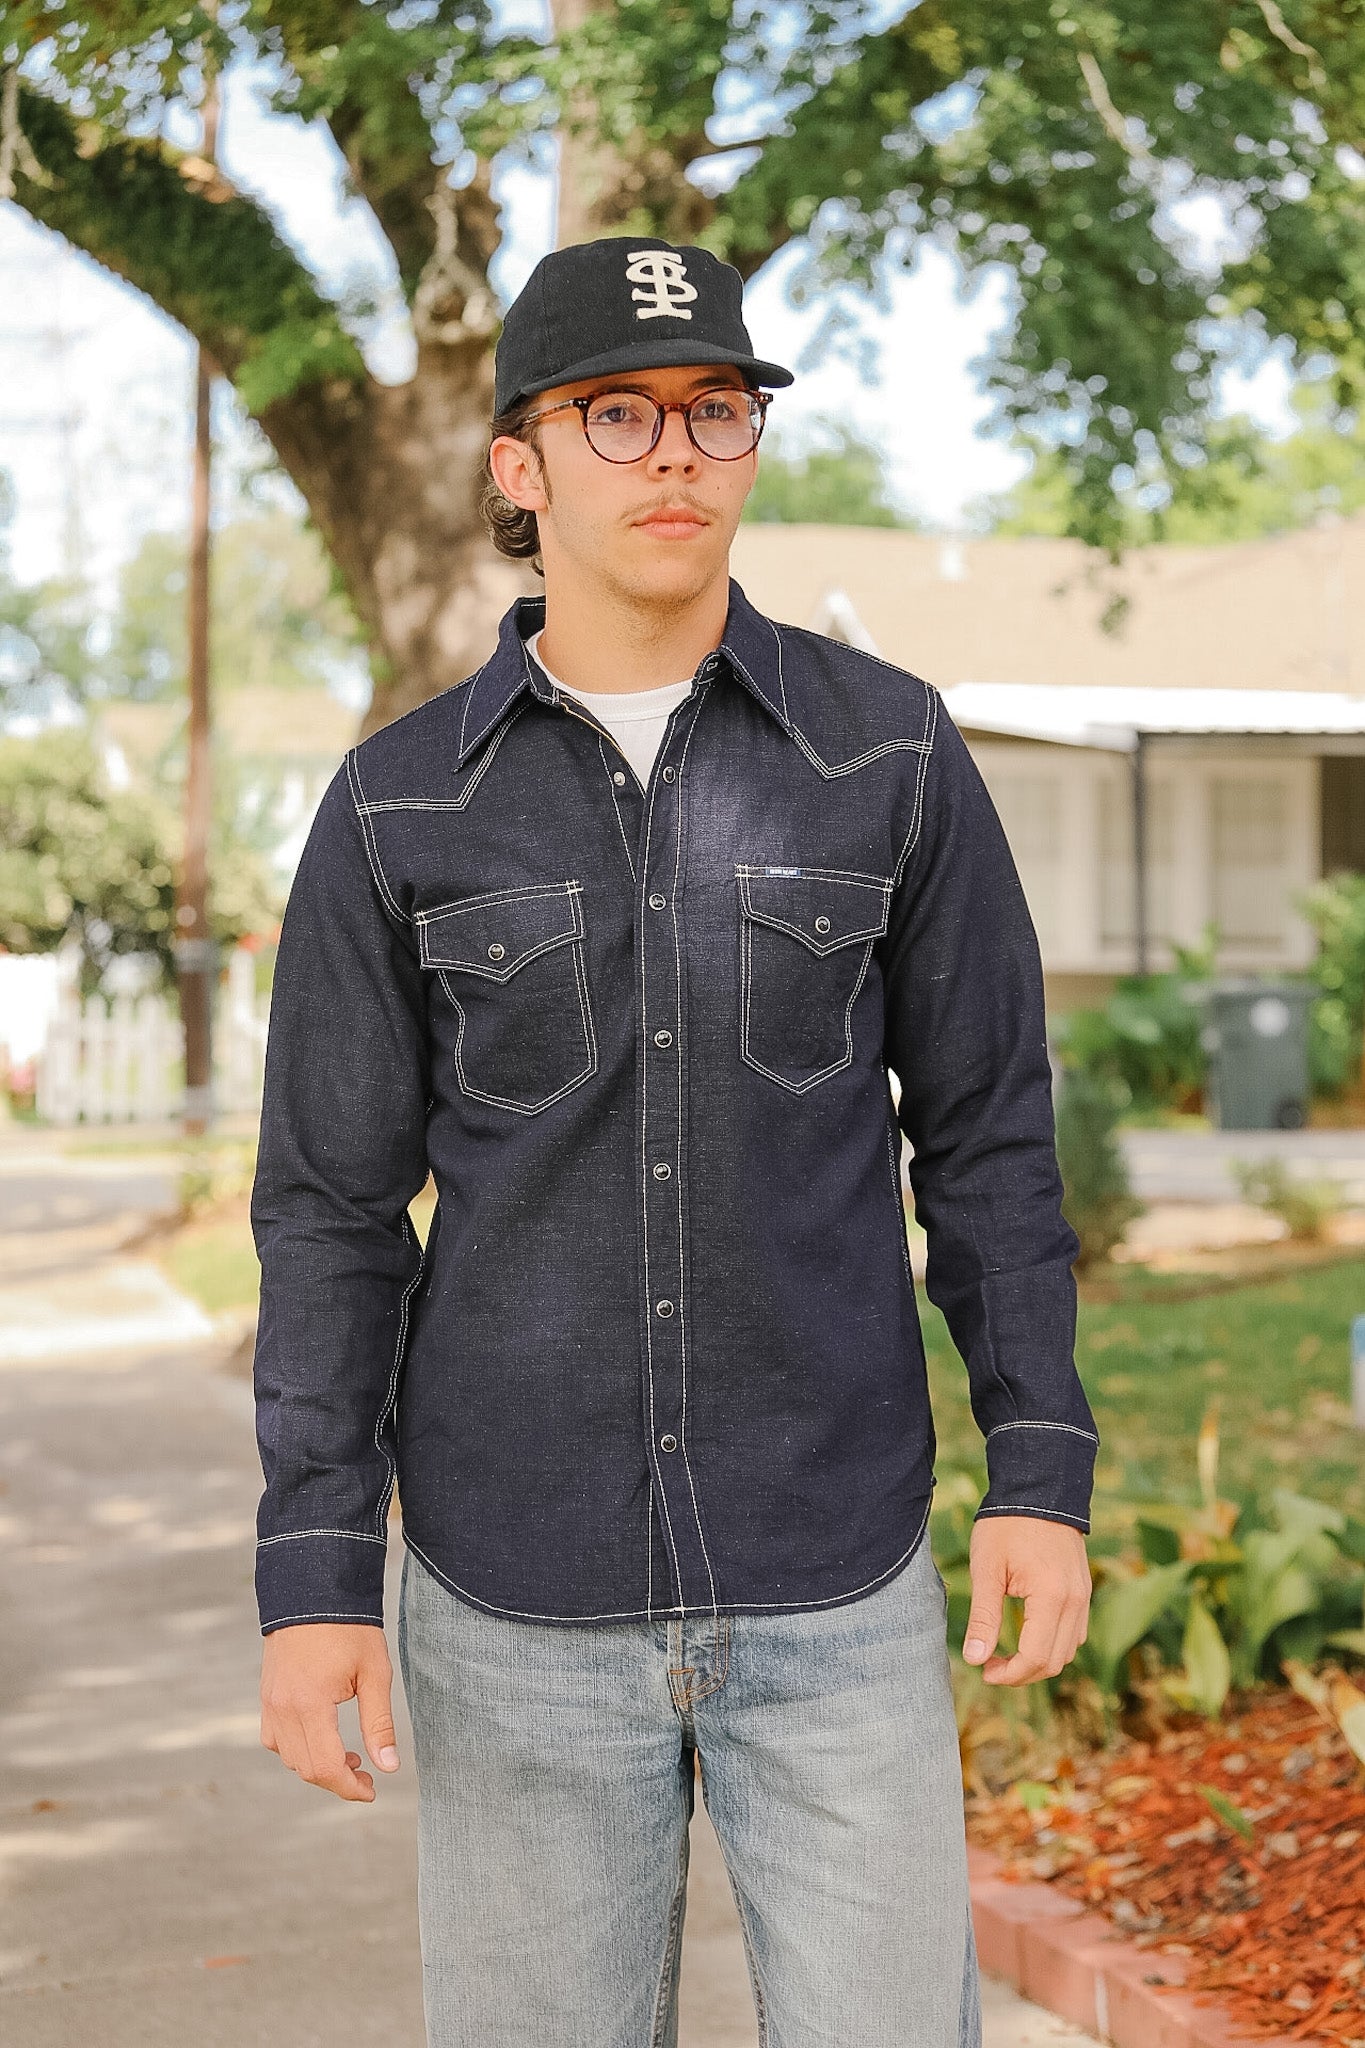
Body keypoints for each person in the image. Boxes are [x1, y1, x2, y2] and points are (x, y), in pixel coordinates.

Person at [251, 233, 1099, 2048]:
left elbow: (987, 1142)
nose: (676, 456)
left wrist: (1038, 1470)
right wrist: (313, 1576)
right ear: (519, 464)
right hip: (513, 1598)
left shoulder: (890, 755)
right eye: (616, 416)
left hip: (836, 1577)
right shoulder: (398, 803)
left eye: (716, 410)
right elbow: (328, 1211)